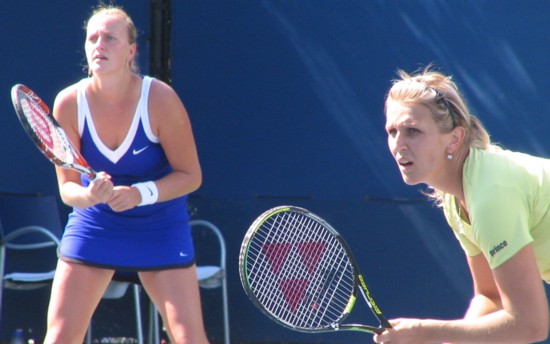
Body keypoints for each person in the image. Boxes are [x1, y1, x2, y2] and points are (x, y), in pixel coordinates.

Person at [44, 5, 209, 344]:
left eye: (110, 38)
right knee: (59, 337)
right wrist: (91, 196)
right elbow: (68, 189)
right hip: (95, 225)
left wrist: (139, 194)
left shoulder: (161, 99)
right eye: (92, 38)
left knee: (189, 337)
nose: (98, 45)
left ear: (131, 50)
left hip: (159, 226)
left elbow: (190, 176)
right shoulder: (68, 104)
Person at [376, 67, 550, 343]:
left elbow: (530, 325)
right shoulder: (455, 199)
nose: (399, 145)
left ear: (454, 139)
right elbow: (490, 296)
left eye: (413, 131)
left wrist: (426, 331)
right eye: (392, 131)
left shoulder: (490, 195)